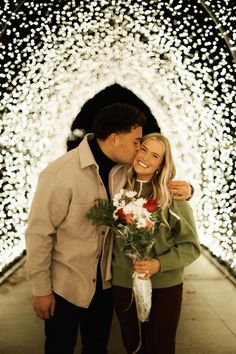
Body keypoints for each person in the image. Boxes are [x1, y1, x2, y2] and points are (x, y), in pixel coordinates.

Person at [25, 103, 193, 354]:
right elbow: (39, 234)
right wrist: (41, 290)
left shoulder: (123, 171)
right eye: (137, 142)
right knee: (60, 347)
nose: (140, 150)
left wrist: (189, 190)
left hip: (104, 286)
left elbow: (155, 181)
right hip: (66, 286)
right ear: (115, 139)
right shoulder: (60, 174)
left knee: (97, 348)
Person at [110, 132, 201, 354]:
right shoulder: (116, 188)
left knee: (161, 347)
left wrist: (158, 264)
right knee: (133, 346)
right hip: (124, 283)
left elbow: (191, 247)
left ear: (161, 165)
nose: (146, 158)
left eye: (155, 156)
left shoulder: (172, 198)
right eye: (143, 150)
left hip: (165, 287)